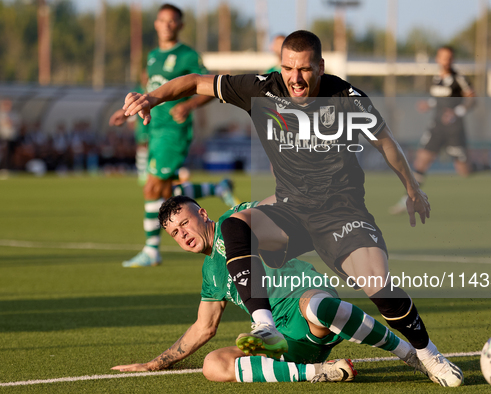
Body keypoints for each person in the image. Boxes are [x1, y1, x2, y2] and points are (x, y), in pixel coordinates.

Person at [120, 30, 463, 387]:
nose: (295, 78)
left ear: (320, 66)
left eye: (304, 69)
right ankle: (264, 325)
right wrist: (151, 98)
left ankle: (427, 354)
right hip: (292, 210)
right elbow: (193, 82)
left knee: (378, 285)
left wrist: (412, 187)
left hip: (341, 212)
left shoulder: (345, 96)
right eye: (288, 68)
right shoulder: (262, 89)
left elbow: (385, 142)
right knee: (236, 226)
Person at [111, 195, 430, 383]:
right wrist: (154, 363)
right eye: (174, 233)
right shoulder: (211, 274)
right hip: (286, 344)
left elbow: (270, 203)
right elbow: (203, 327)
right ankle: (318, 371)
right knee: (213, 365)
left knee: (317, 306)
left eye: (184, 223)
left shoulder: (235, 222)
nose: (182, 234)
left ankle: (408, 353)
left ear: (203, 214)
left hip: (308, 304)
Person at [108, 3, 238, 268]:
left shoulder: (188, 55)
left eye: (172, 21)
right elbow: (148, 88)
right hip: (154, 129)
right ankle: (217, 188)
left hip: (173, 132)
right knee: (166, 192)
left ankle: (151, 250)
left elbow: (209, 86)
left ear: (180, 25)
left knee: (151, 187)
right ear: (156, 24)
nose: (166, 25)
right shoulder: (154, 55)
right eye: (161, 20)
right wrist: (128, 111)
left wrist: (189, 105)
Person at [389, 45, 487, 214]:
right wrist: (428, 104)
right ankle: (409, 199)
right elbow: (439, 100)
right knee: (420, 162)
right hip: (437, 127)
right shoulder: (436, 78)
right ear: (437, 59)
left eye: (449, 58)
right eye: (443, 57)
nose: (446, 61)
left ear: (453, 59)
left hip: (454, 129)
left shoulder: (459, 78)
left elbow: (472, 99)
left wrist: (457, 112)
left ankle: (489, 167)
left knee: (464, 170)